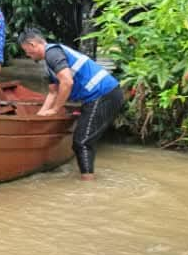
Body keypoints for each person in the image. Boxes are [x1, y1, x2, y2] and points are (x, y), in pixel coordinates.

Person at [18, 28, 124, 180]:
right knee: (83, 141)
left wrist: (55, 109)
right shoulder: (48, 63)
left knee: (82, 142)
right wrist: (40, 114)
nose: (27, 55)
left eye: (26, 51)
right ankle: (88, 178)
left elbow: (67, 82)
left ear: (32, 44)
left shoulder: (52, 53)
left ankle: (88, 185)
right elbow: (53, 92)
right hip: (96, 97)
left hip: (104, 94)